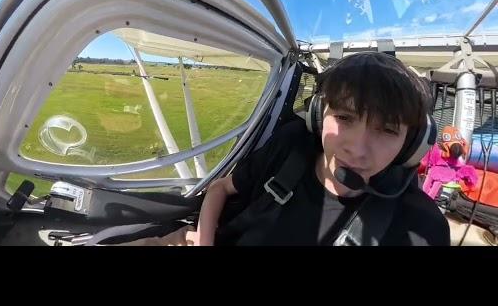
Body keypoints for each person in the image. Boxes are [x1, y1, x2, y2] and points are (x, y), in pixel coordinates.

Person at [187, 52, 450, 246]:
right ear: (318, 116)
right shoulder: (290, 146)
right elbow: (220, 187)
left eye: (388, 130)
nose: (357, 149)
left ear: (411, 145)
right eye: (345, 118)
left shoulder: (421, 226)